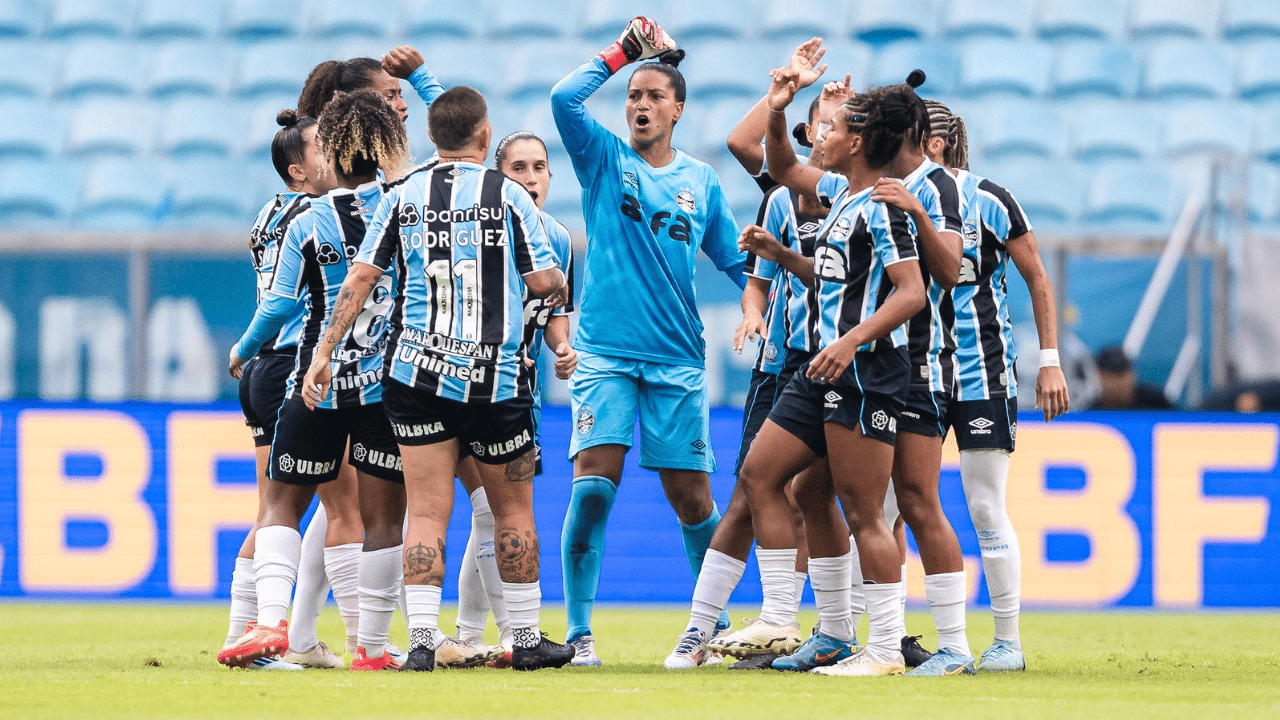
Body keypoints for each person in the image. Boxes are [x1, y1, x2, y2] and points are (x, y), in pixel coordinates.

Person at [304, 86, 572, 672]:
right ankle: (525, 641)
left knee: (425, 510)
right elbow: (544, 279)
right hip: (495, 379)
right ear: (484, 137)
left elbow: (362, 278)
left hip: (415, 376)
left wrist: (324, 352)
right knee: (512, 511)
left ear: (430, 138)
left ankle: (422, 642)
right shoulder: (510, 197)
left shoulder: (402, 196)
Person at [668, 70, 927, 677]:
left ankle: (884, 650)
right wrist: (779, 106)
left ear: (857, 141)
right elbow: (781, 164)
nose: (821, 136)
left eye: (831, 127)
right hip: (820, 367)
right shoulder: (843, 196)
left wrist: (853, 340)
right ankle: (788, 617)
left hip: (865, 369)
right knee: (767, 475)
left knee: (865, 512)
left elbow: (910, 292)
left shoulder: (883, 204)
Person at [550, 16, 748, 666]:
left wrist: (760, 302)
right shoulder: (604, 159)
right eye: (634, 95)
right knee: (593, 488)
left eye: (654, 95)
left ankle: (710, 627)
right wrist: (622, 53)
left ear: (677, 109)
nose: (640, 104)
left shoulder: (702, 183)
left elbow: (738, 261)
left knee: (692, 498)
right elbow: (563, 100)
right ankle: (579, 633)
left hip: (676, 360)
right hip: (605, 353)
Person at [218, 90, 411, 672]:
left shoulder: (310, 218)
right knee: (380, 518)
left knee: (278, 504)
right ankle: (371, 650)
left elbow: (278, 305)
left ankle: (271, 623)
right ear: (383, 148)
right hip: (384, 388)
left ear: (330, 151)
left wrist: (243, 348)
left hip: (315, 383)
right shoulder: (405, 207)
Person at [666, 70, 846, 670]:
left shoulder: (862, 197)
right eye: (825, 116)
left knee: (827, 496)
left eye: (845, 118)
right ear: (808, 127)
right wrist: (752, 314)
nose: (832, 127)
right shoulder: (778, 196)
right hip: (781, 365)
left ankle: (825, 627)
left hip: (845, 364)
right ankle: (705, 631)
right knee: (755, 490)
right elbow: (757, 284)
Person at [922, 99, 1070, 671]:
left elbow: (1036, 275)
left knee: (984, 505)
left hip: (983, 367)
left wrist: (1049, 360)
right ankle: (886, 638)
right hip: (917, 369)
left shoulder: (990, 198)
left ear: (932, 143)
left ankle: (1007, 641)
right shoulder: (896, 197)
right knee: (892, 501)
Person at [441, 131, 579, 669]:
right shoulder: (474, 227)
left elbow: (556, 316)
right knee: (487, 510)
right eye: (517, 167)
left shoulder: (560, 240)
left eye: (539, 167)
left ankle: (466, 636)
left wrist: (564, 349)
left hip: (520, 392)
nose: (530, 177)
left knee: (490, 514)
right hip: (465, 386)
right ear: (498, 175)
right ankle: (511, 634)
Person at [1092, 346, 1172, 410]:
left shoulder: (1155, 402)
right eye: (1112, 376)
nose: (1118, 383)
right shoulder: (1089, 407)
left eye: (1122, 375)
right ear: (1099, 376)